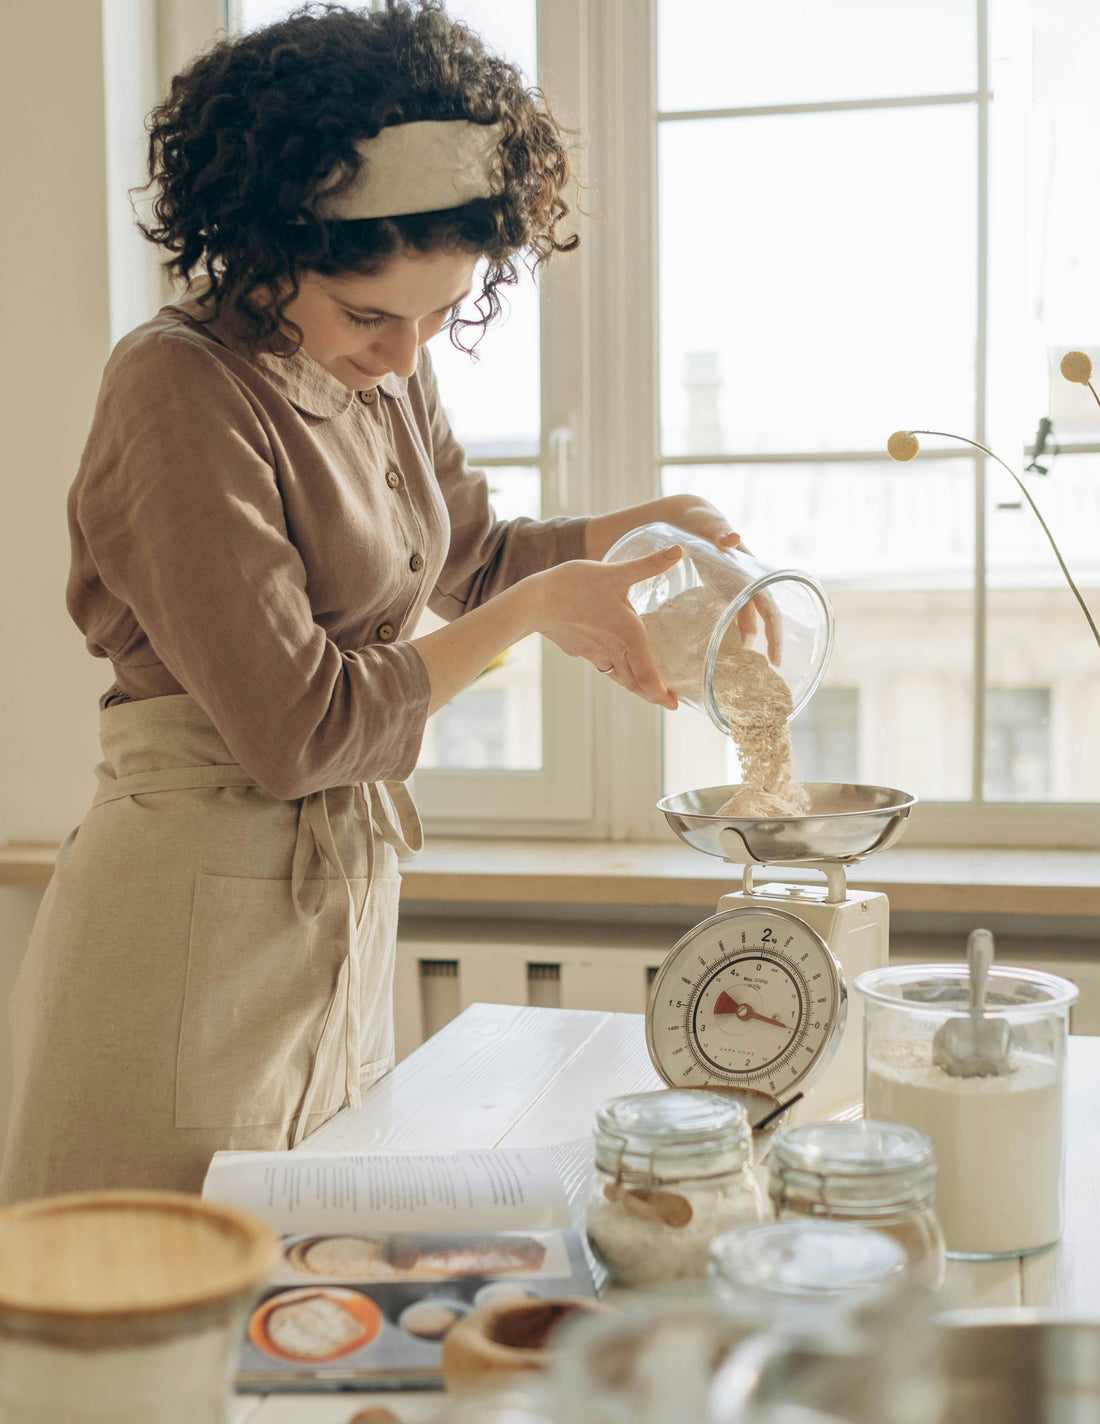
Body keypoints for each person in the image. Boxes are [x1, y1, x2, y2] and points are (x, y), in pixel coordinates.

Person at [0, 1, 742, 1203]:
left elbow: (474, 554)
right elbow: (297, 731)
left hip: (331, 909)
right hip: (185, 914)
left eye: (440, 315)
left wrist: (639, 535)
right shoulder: (177, 387)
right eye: (371, 316)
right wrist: (541, 610)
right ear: (267, 243)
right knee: (153, 1334)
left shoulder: (378, 369)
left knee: (305, 1307)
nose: (405, 355)